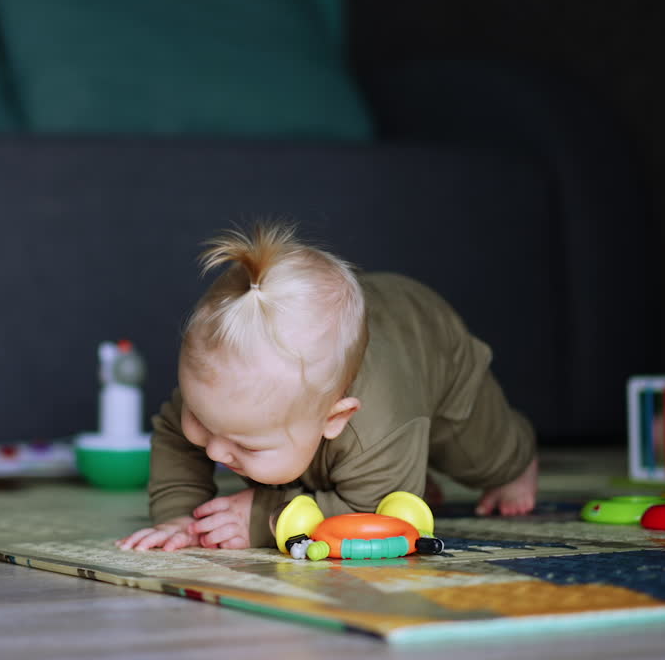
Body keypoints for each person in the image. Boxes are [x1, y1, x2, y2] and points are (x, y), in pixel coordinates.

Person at [117, 222, 538, 552]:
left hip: (430, 342)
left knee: (481, 453)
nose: (213, 451)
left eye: (248, 446)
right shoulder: (217, 390)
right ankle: (398, 472)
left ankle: (519, 460)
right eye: (200, 419)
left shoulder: (379, 426)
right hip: (374, 349)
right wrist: (176, 517)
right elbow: (175, 439)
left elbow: (378, 513)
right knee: (375, 472)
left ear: (337, 417)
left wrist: (268, 516)